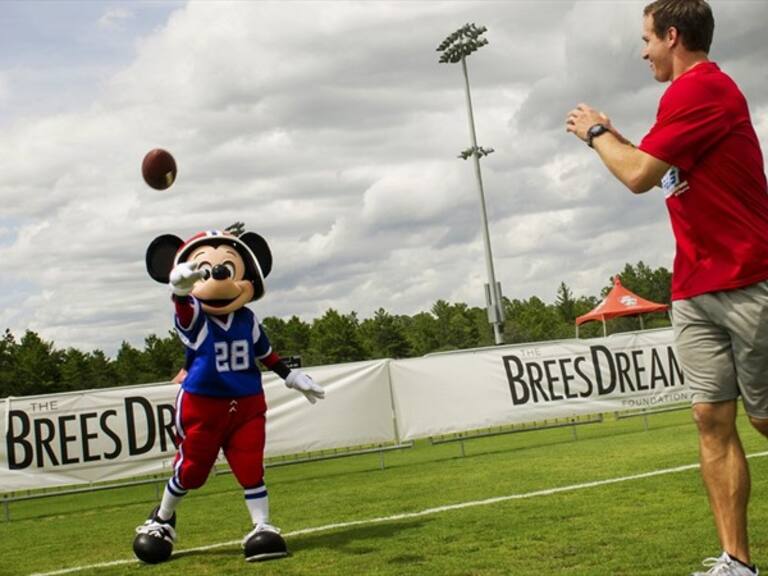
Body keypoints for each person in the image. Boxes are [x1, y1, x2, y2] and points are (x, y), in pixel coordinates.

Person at [565, 1, 768, 574]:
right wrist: (618, 138)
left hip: (748, 278)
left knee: (763, 420)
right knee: (711, 419)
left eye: (647, 39)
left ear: (672, 36)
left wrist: (595, 131)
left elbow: (635, 175)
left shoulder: (701, 89)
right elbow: (655, 167)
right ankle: (737, 564)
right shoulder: (682, 100)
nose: (643, 50)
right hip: (695, 287)